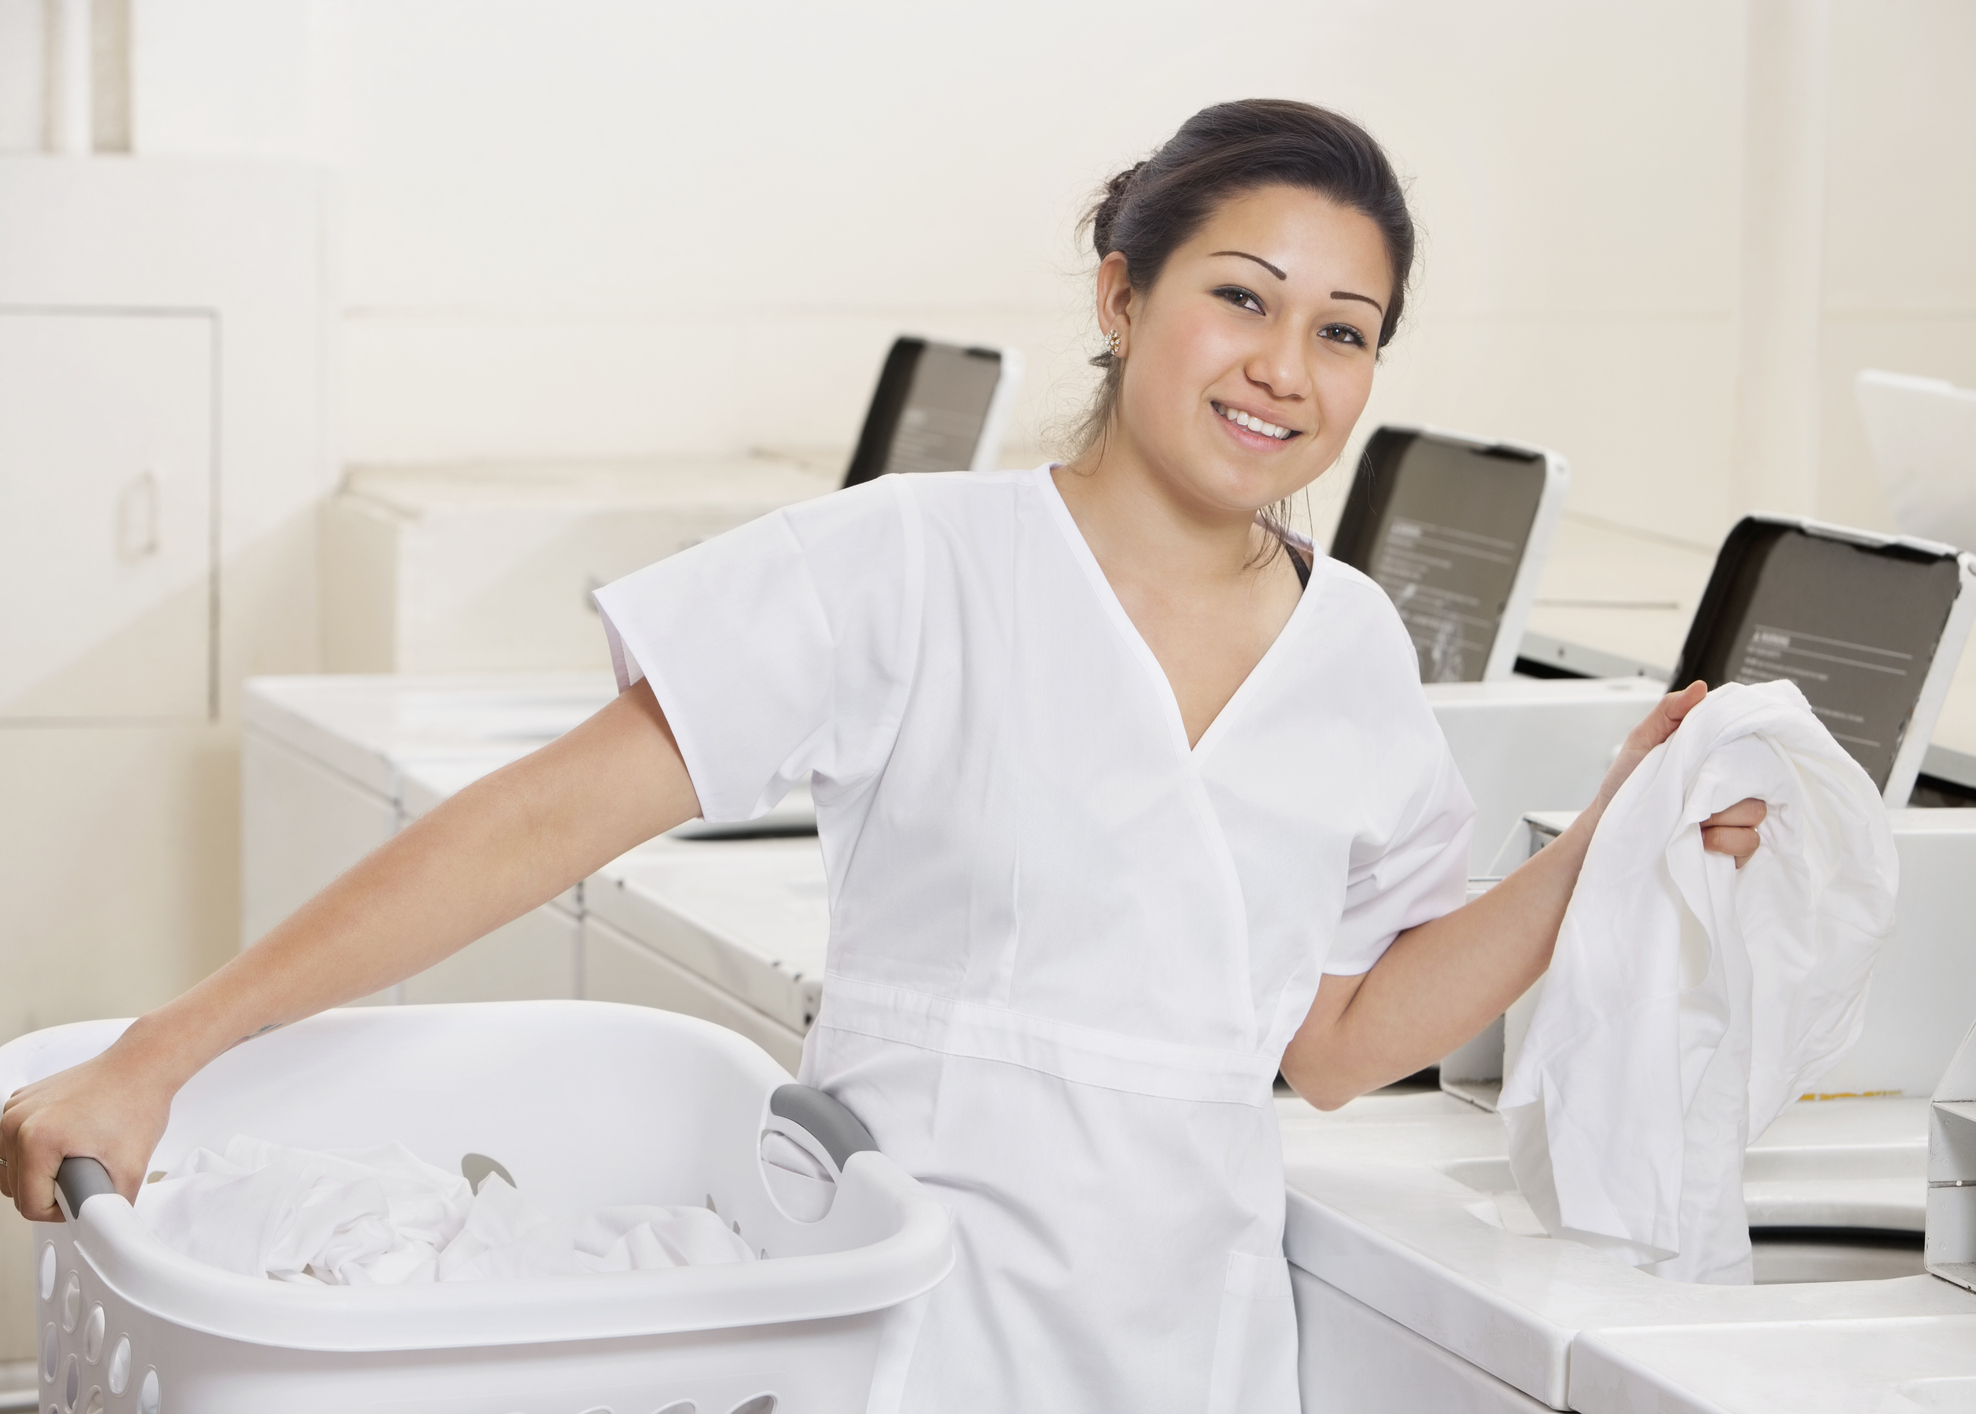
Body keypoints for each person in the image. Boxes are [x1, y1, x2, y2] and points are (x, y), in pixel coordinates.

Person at [2, 99, 1764, 1411]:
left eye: (1343, 330)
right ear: (1122, 290)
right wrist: (163, 1056)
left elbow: (1330, 1042)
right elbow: (530, 825)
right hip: (900, 1322)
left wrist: (1609, 836)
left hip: (1192, 1347)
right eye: (1242, 297)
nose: (1282, 369)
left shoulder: (1358, 652)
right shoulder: (914, 564)